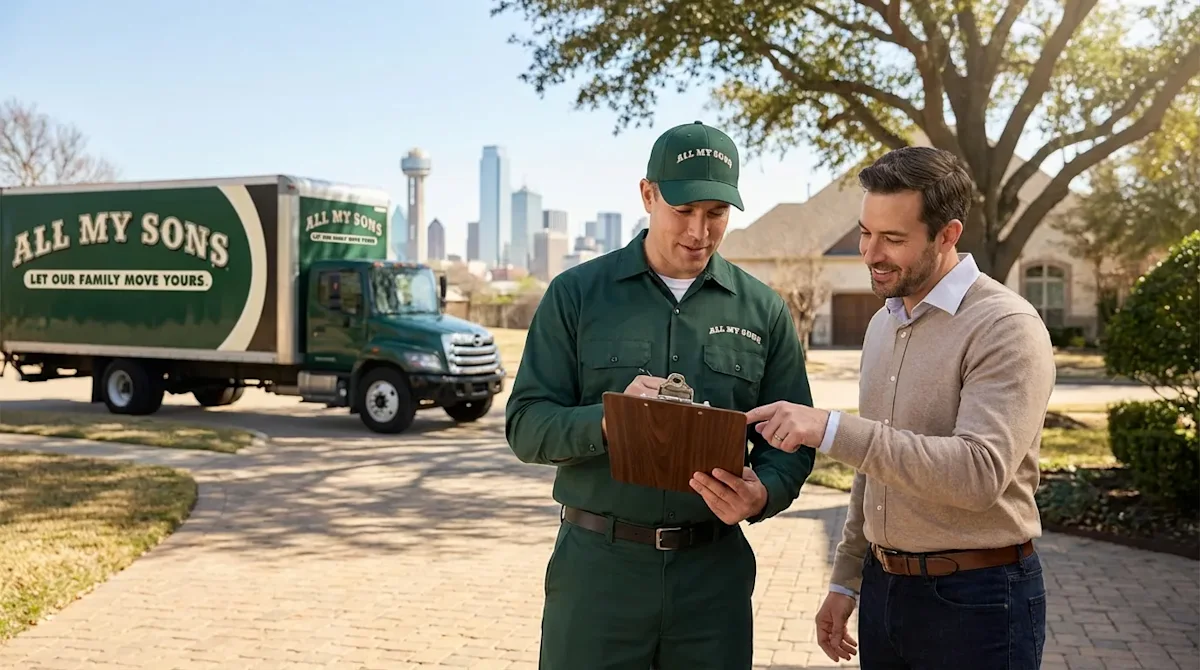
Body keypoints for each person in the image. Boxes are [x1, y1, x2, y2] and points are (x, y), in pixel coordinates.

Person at [505, 120, 817, 670]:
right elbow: (526, 426)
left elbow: (791, 440)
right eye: (684, 210)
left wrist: (763, 493)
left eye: (716, 214)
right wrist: (610, 419)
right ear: (648, 195)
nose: (700, 231)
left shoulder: (763, 311)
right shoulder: (575, 295)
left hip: (711, 580)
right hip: (599, 575)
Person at [743, 146, 1056, 669]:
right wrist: (846, 578)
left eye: (893, 239)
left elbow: (979, 474)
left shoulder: (1005, 326)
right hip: (884, 589)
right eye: (866, 232)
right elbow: (877, 464)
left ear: (948, 235)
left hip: (978, 600)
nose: (870, 252)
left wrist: (830, 429)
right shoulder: (883, 324)